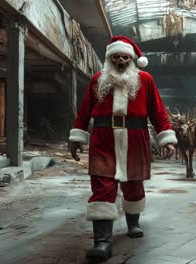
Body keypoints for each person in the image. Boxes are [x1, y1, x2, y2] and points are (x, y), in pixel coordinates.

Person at [68, 35, 177, 261]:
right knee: (102, 186)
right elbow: (84, 111)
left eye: (125, 57)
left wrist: (166, 137)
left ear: (132, 59)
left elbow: (158, 111)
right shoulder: (98, 79)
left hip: (136, 139)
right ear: (109, 59)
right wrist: (77, 136)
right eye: (115, 57)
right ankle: (102, 242)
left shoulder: (145, 80)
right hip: (103, 139)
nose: (120, 61)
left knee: (134, 184)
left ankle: (133, 222)